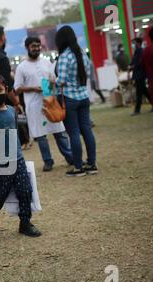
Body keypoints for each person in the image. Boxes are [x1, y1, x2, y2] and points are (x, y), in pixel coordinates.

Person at [0, 73, 42, 238]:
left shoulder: (12, 110)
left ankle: (25, 223)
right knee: (0, 192)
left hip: (18, 158)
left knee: (25, 191)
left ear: (6, 89)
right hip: (0, 162)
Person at [15, 37, 73, 172]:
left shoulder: (47, 62)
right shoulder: (21, 67)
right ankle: (48, 161)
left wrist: (53, 82)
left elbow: (53, 79)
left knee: (59, 131)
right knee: (41, 136)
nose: (36, 48)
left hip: (50, 102)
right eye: (33, 46)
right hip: (34, 106)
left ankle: (70, 157)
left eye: (38, 46)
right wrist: (33, 88)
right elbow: (17, 89)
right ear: (27, 47)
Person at [55, 26, 98, 177]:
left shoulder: (64, 57)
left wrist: (52, 81)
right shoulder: (83, 55)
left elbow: (60, 81)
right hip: (83, 97)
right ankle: (92, 164)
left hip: (69, 99)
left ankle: (78, 167)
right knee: (87, 131)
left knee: (73, 133)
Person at [129, 38, 151, 116]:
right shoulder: (136, 52)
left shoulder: (141, 51)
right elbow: (133, 61)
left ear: (138, 43)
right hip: (137, 74)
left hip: (140, 74)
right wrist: (131, 65)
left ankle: (137, 110)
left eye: (133, 43)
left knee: (139, 93)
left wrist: (133, 66)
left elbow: (140, 63)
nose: (132, 44)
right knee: (144, 91)